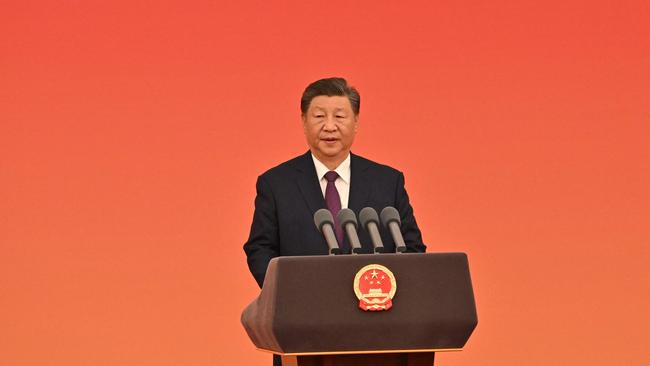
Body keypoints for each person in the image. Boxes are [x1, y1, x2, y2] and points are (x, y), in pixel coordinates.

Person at [243, 77, 426, 288]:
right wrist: (284, 296)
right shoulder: (276, 184)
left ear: (356, 121)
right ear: (303, 121)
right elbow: (260, 249)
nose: (329, 126)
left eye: (339, 116)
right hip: (303, 310)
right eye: (319, 116)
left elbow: (413, 249)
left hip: (376, 309)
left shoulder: (387, 181)